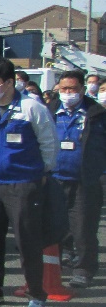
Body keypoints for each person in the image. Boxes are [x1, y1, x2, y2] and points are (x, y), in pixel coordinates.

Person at [0, 58, 58, 307]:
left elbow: (48, 142)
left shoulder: (32, 107)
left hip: (23, 184)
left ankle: (37, 294)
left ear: (9, 82)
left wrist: (43, 172)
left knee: (27, 240)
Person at [51, 70, 106, 289]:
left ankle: (84, 268)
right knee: (55, 225)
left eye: (72, 89)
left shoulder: (96, 113)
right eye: (64, 89)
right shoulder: (51, 110)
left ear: (82, 89)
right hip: (55, 178)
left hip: (85, 180)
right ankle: (61, 258)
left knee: (83, 227)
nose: (68, 93)